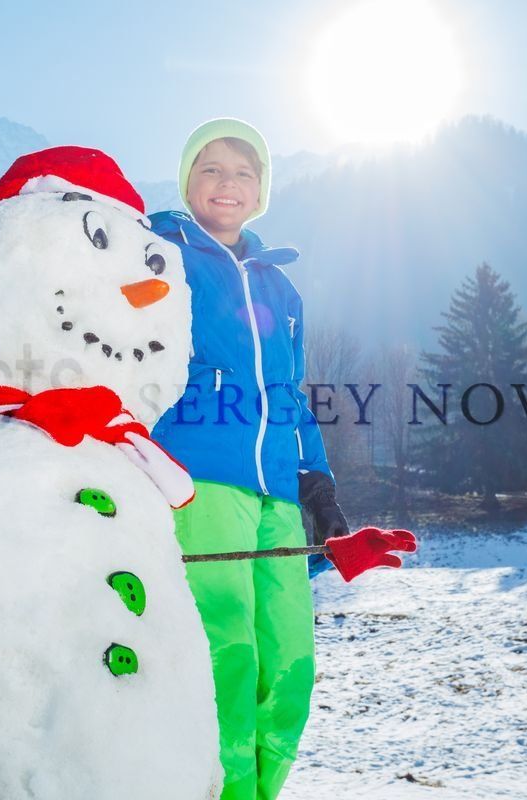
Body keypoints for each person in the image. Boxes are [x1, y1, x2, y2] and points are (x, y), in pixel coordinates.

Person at [149, 118, 350, 800]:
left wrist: (318, 485)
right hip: (200, 480)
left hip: (277, 496)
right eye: (210, 168)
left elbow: (287, 394)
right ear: (187, 182)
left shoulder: (280, 289)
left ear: (260, 190)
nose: (226, 183)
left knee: (291, 661)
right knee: (225, 653)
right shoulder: (158, 254)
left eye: (243, 171)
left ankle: (261, 793)